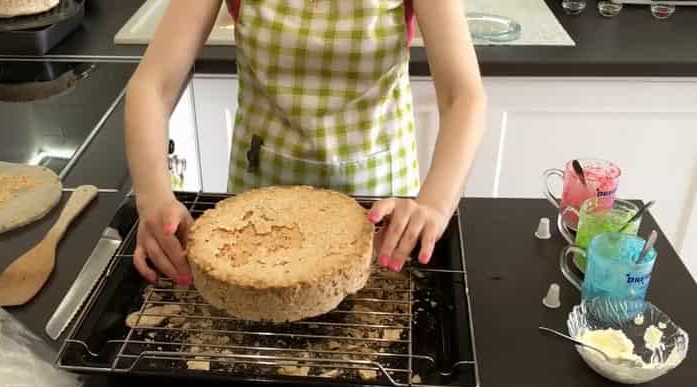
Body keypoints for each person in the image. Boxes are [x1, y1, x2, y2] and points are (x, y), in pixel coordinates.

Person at [124, 0, 486, 285]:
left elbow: (463, 97)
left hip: (380, 214)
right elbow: (152, 86)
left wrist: (435, 207)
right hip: (259, 217)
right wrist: (153, 197)